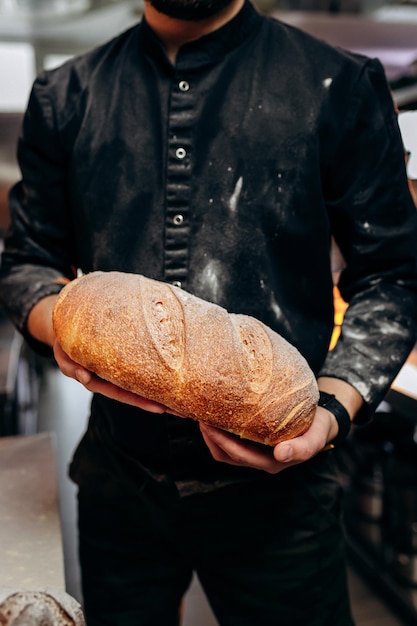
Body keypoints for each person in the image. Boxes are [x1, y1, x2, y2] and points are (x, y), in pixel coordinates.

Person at [1, 0, 417, 623]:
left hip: (284, 505)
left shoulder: (337, 84)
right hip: (122, 486)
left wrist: (329, 411)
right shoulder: (66, 94)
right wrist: (61, 319)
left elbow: (394, 275)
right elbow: (25, 262)